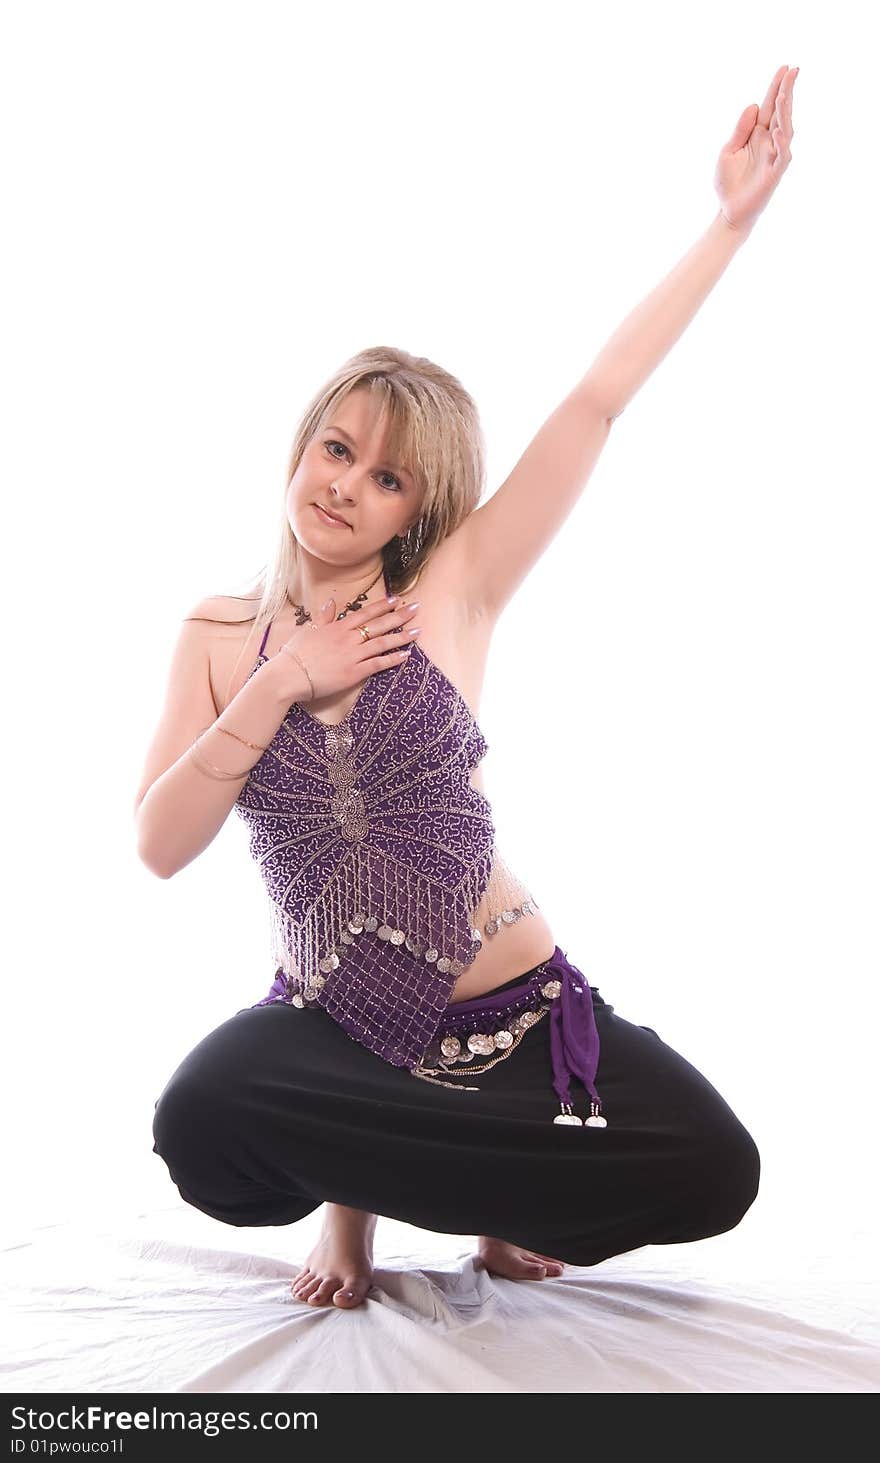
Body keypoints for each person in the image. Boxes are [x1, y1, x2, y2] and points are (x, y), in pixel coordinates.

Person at [139, 65, 797, 1309]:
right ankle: (363, 1216)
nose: (346, 484)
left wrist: (728, 224)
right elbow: (160, 846)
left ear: (419, 506)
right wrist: (274, 686)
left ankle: (496, 1203)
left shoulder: (452, 589)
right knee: (202, 1110)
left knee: (715, 1166)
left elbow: (595, 402)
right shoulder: (219, 633)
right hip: (342, 1039)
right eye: (336, 448)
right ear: (301, 448)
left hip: (514, 1014)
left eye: (385, 477)